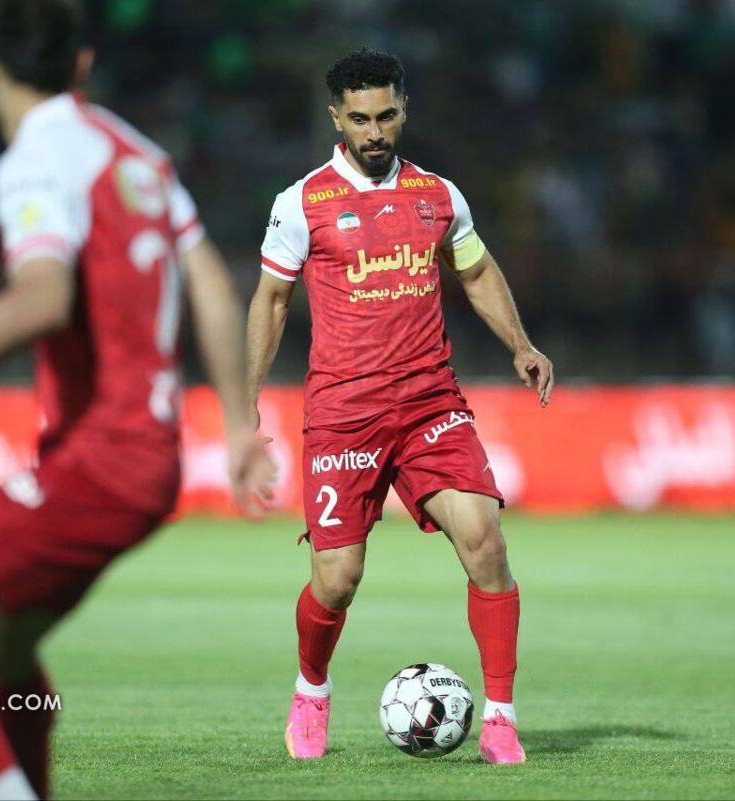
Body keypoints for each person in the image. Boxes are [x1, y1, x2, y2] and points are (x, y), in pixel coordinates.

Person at [0, 2, 273, 798]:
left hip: (101, 459)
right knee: (0, 645)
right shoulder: (136, 153)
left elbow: (42, 298)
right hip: (146, 458)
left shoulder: (34, 161)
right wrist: (241, 425)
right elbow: (211, 282)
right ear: (81, 64)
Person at [245, 46, 553, 765]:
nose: (375, 131)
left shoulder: (438, 195)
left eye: (386, 116)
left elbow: (476, 270)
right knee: (337, 579)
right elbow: (272, 300)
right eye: (360, 119)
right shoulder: (302, 202)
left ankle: (500, 719)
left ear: (404, 111)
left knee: (485, 540)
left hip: (429, 405)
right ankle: (311, 690)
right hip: (344, 413)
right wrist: (246, 395)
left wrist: (520, 343)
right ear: (336, 118)